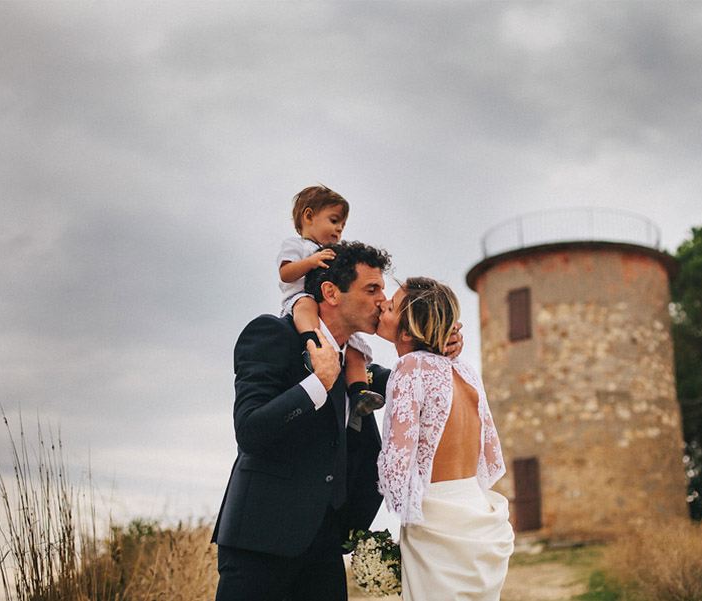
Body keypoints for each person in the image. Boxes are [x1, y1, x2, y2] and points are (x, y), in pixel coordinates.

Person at [212, 241, 397, 601]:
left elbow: (413, 377)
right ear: (331, 292)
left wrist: (438, 345)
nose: (381, 300)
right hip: (260, 542)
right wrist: (317, 385)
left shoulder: (358, 369)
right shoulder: (271, 335)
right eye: (371, 289)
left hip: (325, 546)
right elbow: (250, 431)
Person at [376, 277, 514, 601]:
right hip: (476, 513)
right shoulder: (465, 373)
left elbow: (395, 470)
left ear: (408, 332)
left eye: (392, 306)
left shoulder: (409, 368)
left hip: (435, 522)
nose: (383, 305)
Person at [277, 185, 384, 418]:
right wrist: (312, 261)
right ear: (308, 216)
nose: (338, 229)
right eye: (334, 221)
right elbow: (286, 273)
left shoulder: (329, 250)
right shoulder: (297, 246)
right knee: (306, 304)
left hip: (322, 309)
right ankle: (311, 343)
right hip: (299, 299)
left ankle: (358, 392)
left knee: (356, 349)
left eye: (342, 226)